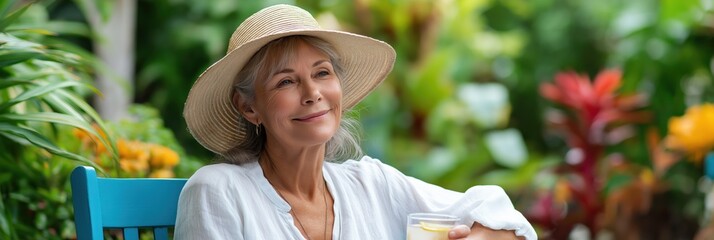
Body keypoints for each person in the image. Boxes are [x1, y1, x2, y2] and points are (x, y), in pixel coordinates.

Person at [176, 4, 537, 240]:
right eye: (286, 81)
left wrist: (486, 236)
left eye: (322, 72)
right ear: (249, 107)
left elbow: (499, 211)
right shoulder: (217, 191)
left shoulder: (372, 185)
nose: (312, 92)